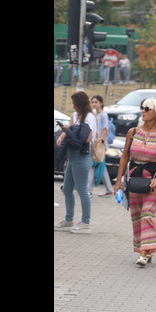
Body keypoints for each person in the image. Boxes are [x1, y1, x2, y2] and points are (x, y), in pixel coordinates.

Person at [113, 98, 156, 267]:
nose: (143, 111)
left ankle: (143, 255)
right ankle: (146, 249)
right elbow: (125, 157)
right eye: (142, 108)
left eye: (147, 109)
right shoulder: (133, 132)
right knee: (136, 216)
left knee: (147, 214)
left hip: (151, 181)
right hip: (134, 179)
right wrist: (118, 181)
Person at [56, 91, 97, 233]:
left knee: (82, 190)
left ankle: (86, 222)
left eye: (75, 104)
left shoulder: (90, 117)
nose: (74, 107)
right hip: (72, 155)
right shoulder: (75, 116)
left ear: (81, 104)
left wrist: (70, 130)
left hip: (82, 155)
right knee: (67, 188)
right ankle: (69, 219)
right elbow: (69, 129)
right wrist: (63, 134)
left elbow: (86, 138)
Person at [90, 95, 115, 197]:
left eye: (96, 102)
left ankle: (88, 189)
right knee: (101, 166)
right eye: (92, 102)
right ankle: (109, 189)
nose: (94, 104)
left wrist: (101, 142)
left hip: (101, 145)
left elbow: (105, 129)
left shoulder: (104, 115)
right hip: (95, 144)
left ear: (101, 103)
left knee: (94, 165)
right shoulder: (94, 114)